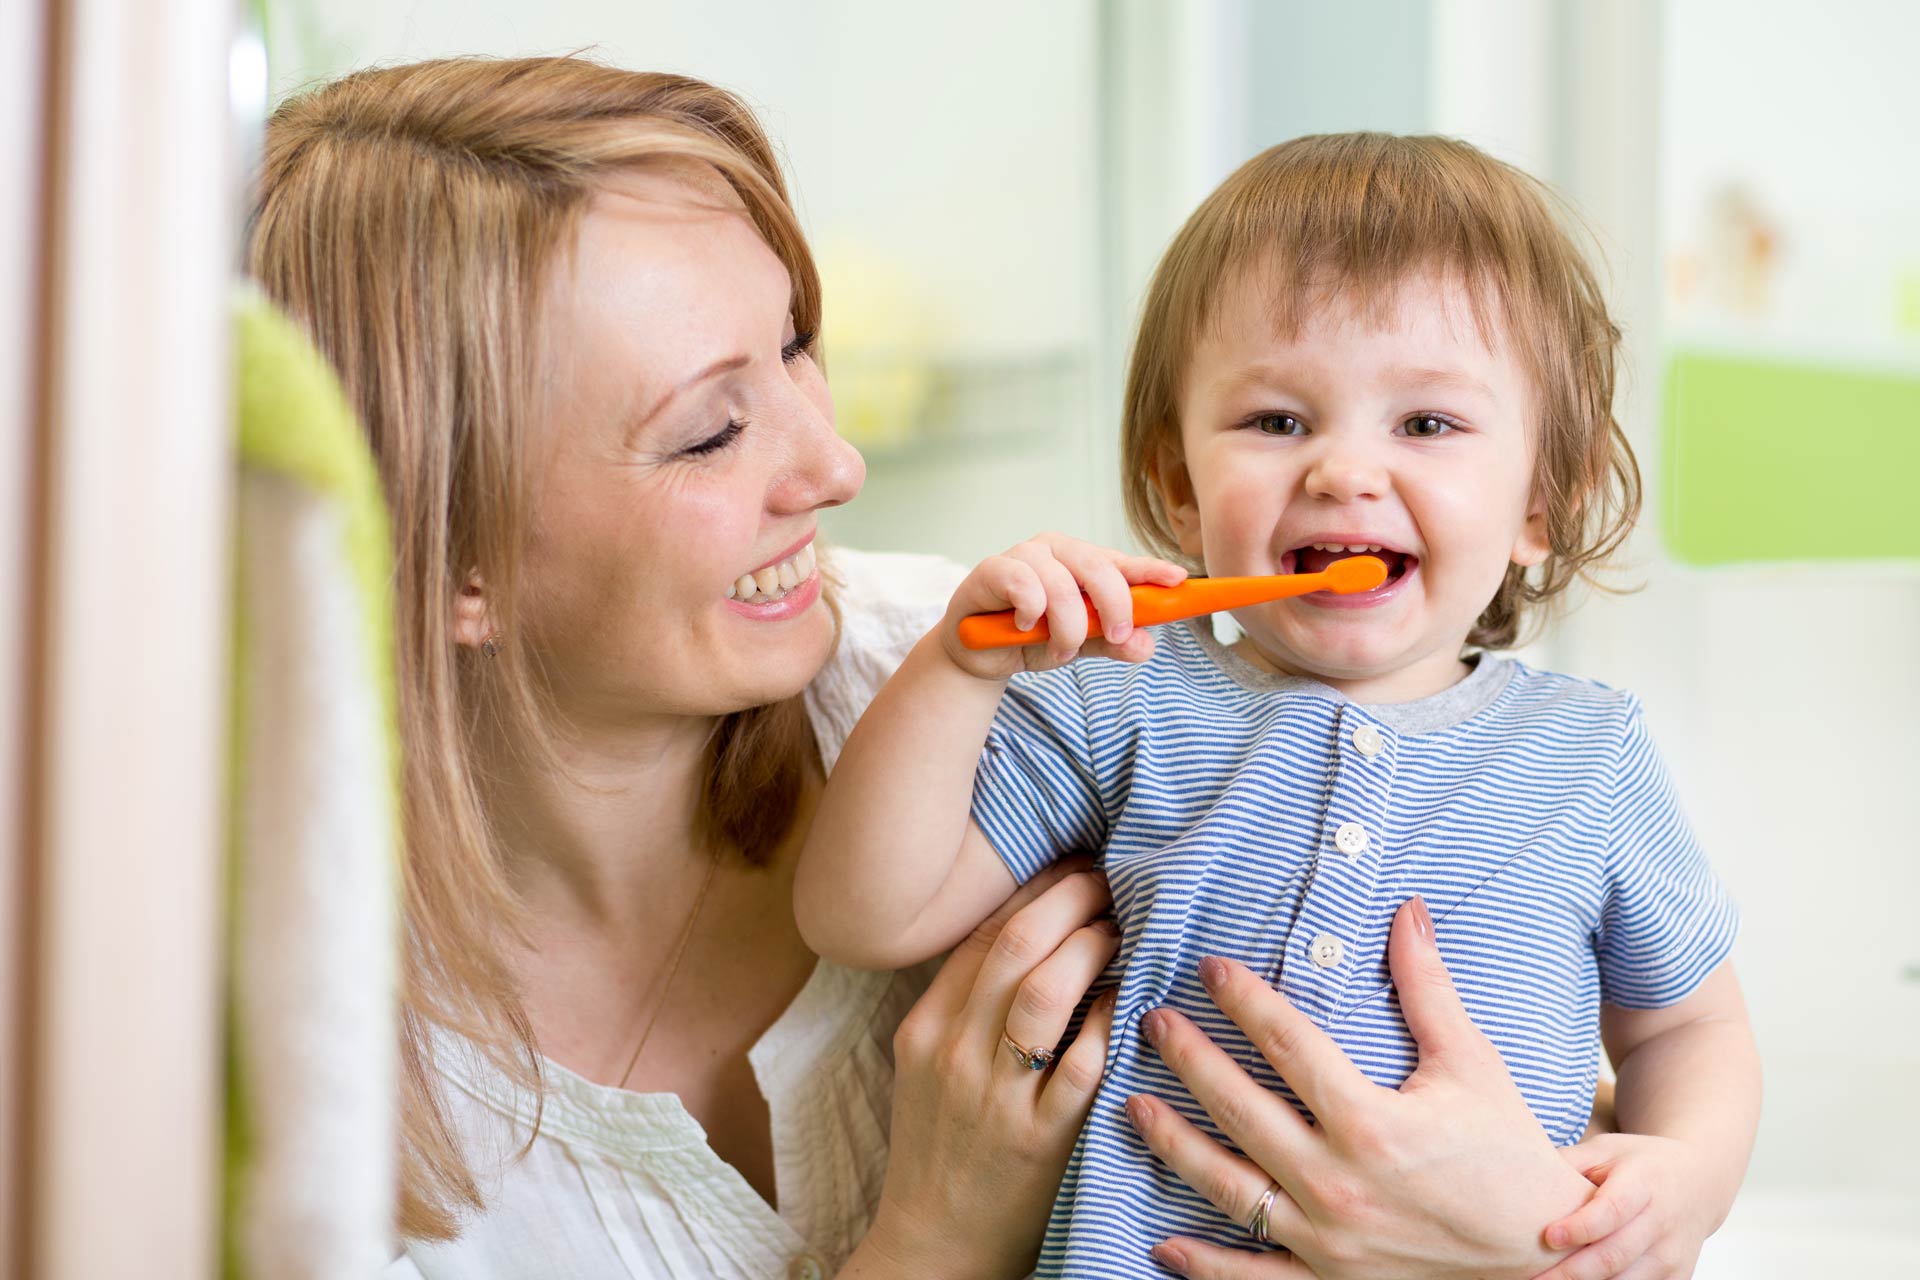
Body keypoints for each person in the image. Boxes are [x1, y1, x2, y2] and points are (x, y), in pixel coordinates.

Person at [794, 132, 1762, 1279]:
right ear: (1175, 482)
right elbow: (864, 914)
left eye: (1427, 424)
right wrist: (957, 665)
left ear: (1542, 500)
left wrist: (1684, 1181)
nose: (1344, 471)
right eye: (1279, 421)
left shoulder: (1590, 754)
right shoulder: (1121, 696)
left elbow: (1688, 1028)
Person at [247, 57, 1125, 1277]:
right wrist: (939, 1235)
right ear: (454, 566)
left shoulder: (1018, 697)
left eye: (797, 347)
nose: (834, 463)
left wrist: (1483, 1209)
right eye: (711, 431)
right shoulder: (260, 1053)